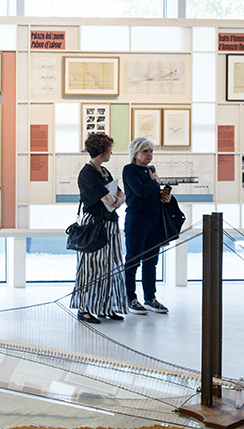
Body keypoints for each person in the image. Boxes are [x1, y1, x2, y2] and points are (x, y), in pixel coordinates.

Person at [72, 131, 127, 323]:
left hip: (109, 223)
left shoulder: (103, 171)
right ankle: (84, 308)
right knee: (91, 266)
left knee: (110, 264)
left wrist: (118, 200)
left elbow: (119, 194)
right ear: (103, 151)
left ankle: (104, 306)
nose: (111, 153)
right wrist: (116, 200)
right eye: (109, 149)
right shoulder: (87, 173)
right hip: (94, 225)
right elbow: (108, 198)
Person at [121, 137, 172, 316]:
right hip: (137, 220)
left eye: (151, 151)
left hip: (154, 220)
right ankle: (130, 298)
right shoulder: (129, 170)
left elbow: (151, 194)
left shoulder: (150, 171)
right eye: (145, 151)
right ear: (135, 153)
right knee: (133, 260)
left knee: (151, 261)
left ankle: (150, 298)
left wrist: (164, 197)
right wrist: (153, 181)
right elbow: (140, 192)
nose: (150, 155)